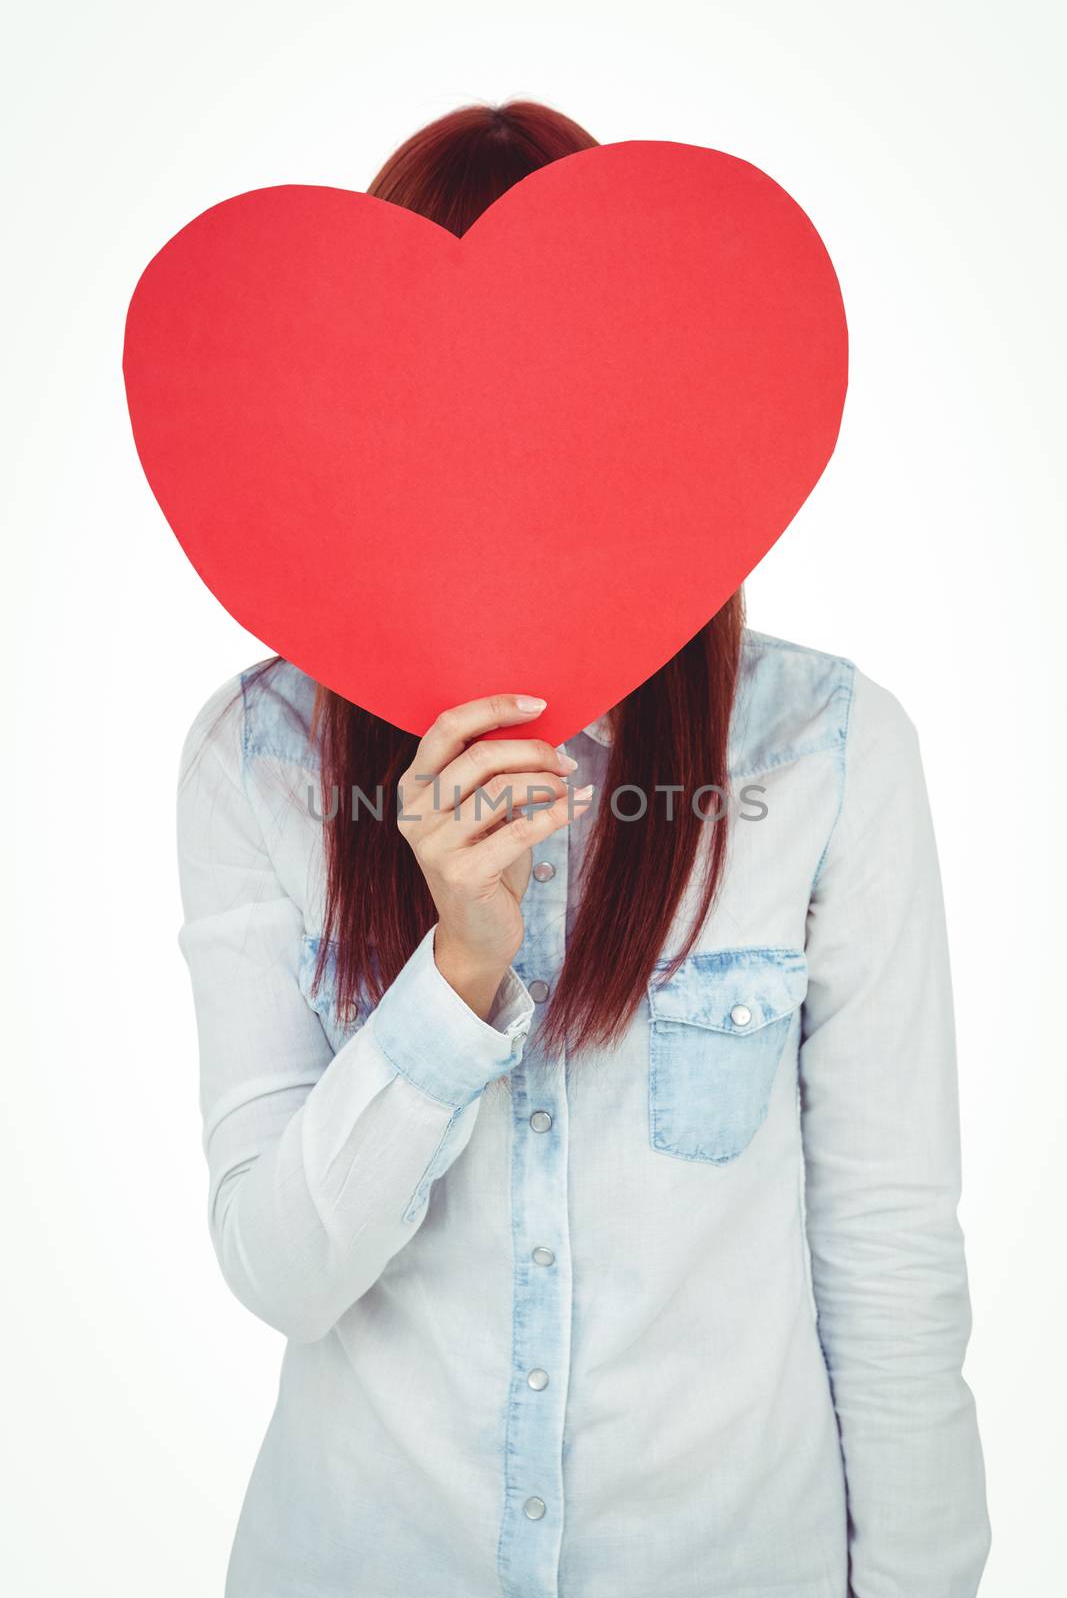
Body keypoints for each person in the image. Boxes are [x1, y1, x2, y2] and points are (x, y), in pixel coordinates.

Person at [176, 100, 991, 1598]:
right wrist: (455, 975)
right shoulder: (264, 766)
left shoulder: (824, 756)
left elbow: (888, 1256)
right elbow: (280, 1270)